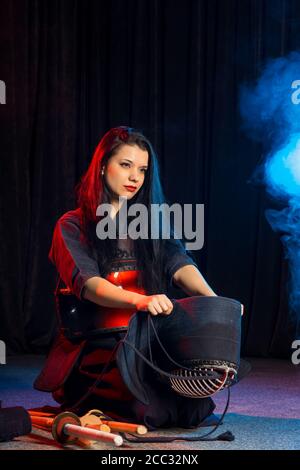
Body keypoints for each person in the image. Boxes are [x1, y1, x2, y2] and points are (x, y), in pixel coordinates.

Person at [35, 126, 222, 429]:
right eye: (126, 165)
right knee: (149, 407)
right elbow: (90, 285)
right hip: (96, 347)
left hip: (147, 341)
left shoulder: (152, 223)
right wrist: (141, 300)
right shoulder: (71, 225)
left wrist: (214, 303)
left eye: (143, 169)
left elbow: (179, 262)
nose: (135, 177)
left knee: (194, 404)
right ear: (102, 167)